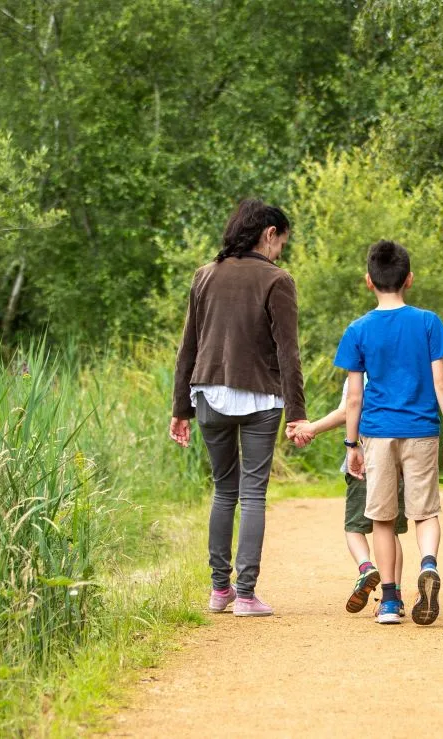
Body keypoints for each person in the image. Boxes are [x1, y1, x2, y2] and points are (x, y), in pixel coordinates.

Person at [169, 198, 306, 618]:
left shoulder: (204, 276)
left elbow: (188, 346)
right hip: (260, 397)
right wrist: (297, 412)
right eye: (281, 241)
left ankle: (219, 591)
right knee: (252, 494)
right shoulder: (277, 279)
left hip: (207, 393)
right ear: (269, 235)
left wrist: (180, 408)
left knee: (223, 491)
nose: (280, 250)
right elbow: (288, 352)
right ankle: (245, 595)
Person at [335, 240, 443, 625]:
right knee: (425, 512)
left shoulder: (358, 330)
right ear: (409, 278)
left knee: (382, 519)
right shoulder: (427, 322)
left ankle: (389, 601)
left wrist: (351, 443)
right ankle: (428, 564)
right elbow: (441, 381)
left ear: (368, 281)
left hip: (377, 432)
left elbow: (354, 397)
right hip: (421, 430)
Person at [287, 378, 410, 616]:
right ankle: (393, 596)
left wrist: (311, 428)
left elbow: (348, 409)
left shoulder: (360, 371)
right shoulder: (402, 362)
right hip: (399, 458)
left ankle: (366, 567)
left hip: (362, 461)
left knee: (354, 528)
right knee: (390, 529)